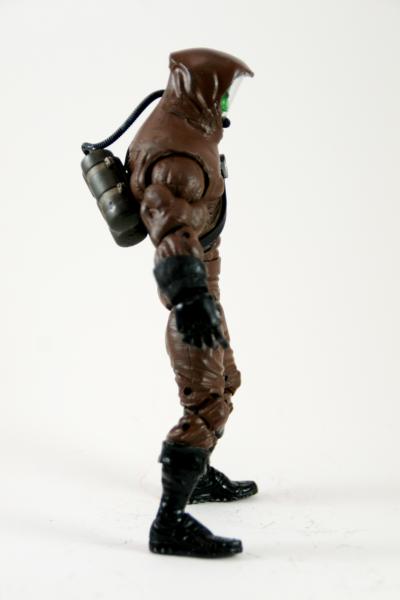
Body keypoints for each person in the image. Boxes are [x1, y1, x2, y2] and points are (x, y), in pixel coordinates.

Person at [127, 48, 257, 558]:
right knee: (206, 398)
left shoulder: (187, 130)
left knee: (225, 379)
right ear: (201, 87)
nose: (227, 102)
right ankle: (170, 522)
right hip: (192, 296)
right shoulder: (177, 157)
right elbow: (168, 226)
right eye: (224, 90)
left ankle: (198, 477)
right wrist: (189, 299)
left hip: (205, 283)